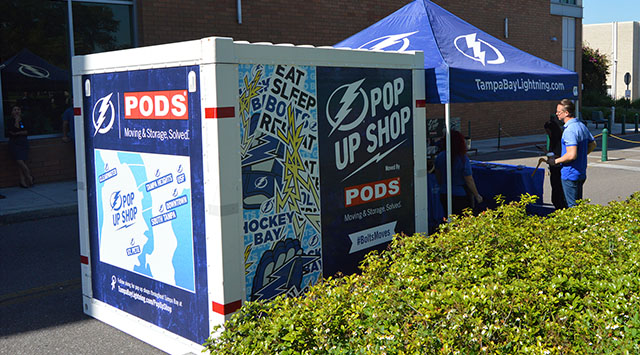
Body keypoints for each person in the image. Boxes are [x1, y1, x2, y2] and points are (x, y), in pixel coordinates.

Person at [547, 99, 596, 207]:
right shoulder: (581, 126)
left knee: (571, 207)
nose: (556, 114)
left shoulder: (569, 130)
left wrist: (555, 161)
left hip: (570, 174)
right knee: (578, 205)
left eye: (559, 112)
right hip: (581, 172)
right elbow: (593, 144)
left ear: (567, 113)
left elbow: (571, 155)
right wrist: (581, 155)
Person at [435, 130, 483, 216]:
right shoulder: (463, 158)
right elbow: (469, 180)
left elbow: (438, 176)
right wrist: (477, 195)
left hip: (444, 192)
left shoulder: (440, 156)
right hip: (460, 194)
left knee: (448, 217)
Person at [7, 105, 34, 188]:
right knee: (19, 161)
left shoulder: (25, 120)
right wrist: (16, 121)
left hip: (23, 142)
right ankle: (29, 176)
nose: (17, 111)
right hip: (14, 143)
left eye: (18, 109)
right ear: (12, 112)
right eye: (15, 110)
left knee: (22, 161)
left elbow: (26, 131)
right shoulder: (10, 120)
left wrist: (18, 132)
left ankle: (22, 181)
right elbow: (12, 131)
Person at [544, 119, 567, 209]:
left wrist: (550, 154)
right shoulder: (553, 139)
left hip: (558, 167)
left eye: (548, 131)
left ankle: (560, 208)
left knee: (558, 192)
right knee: (555, 191)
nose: (547, 133)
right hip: (554, 167)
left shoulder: (558, 140)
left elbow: (560, 154)